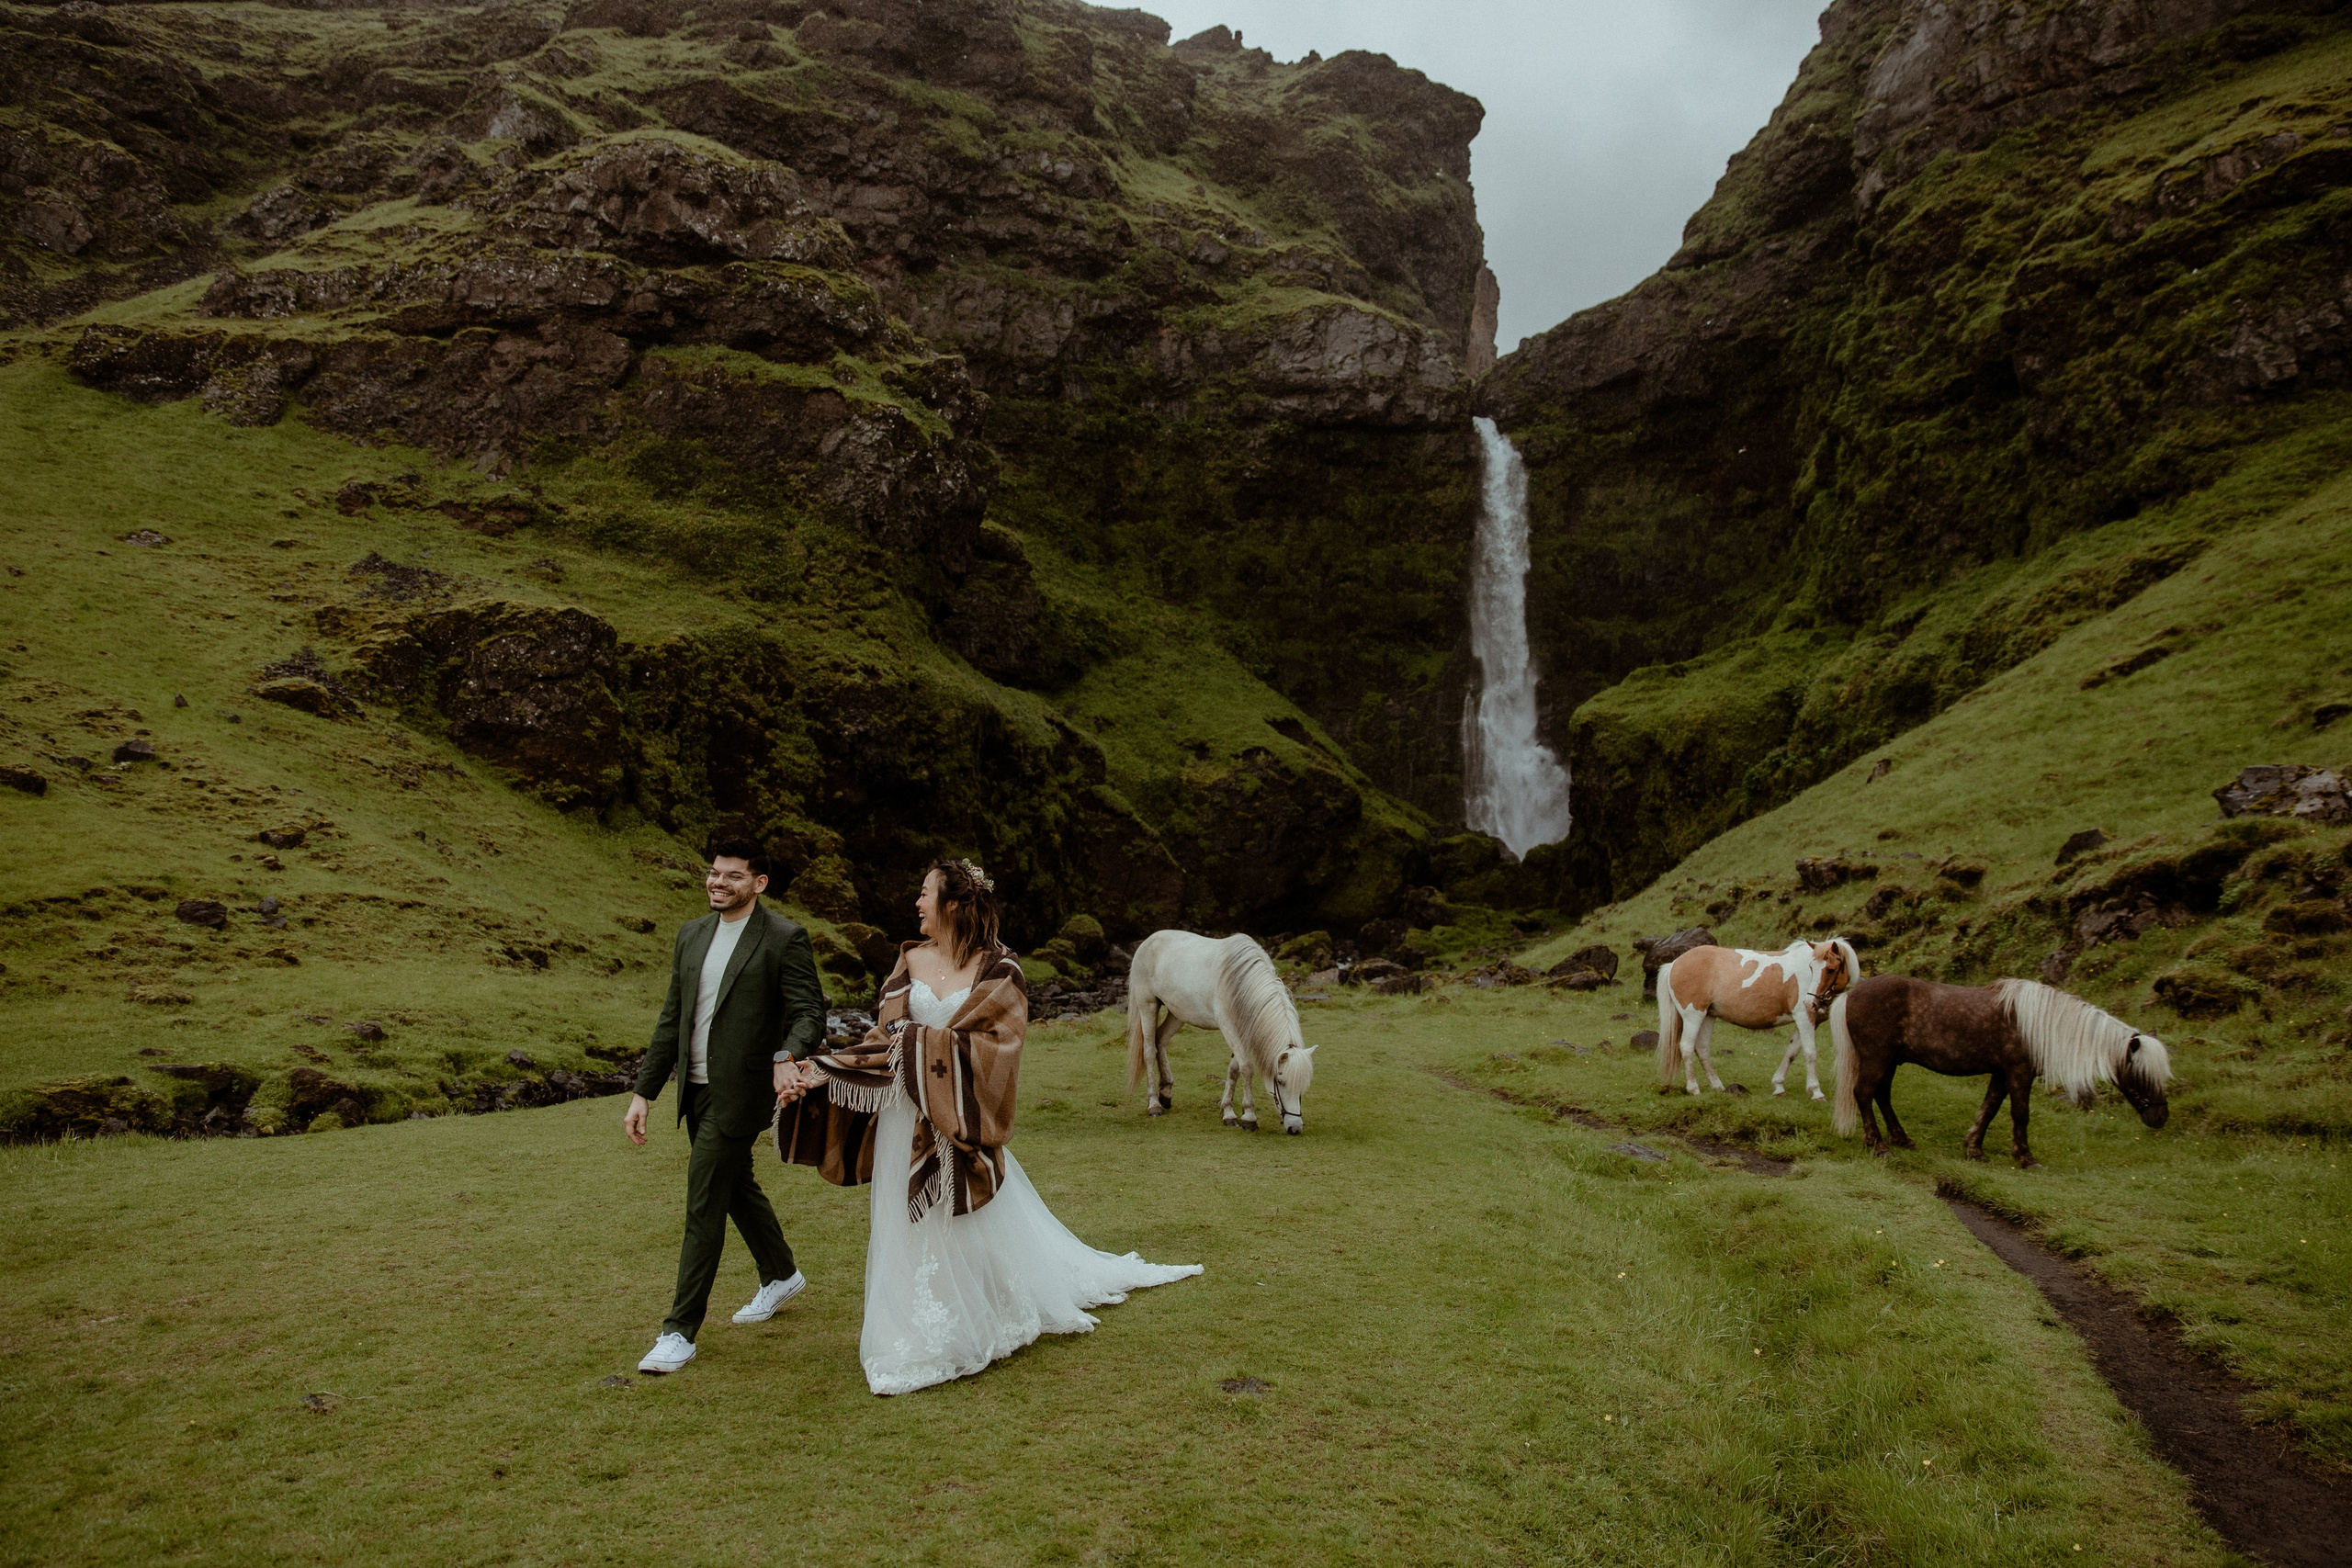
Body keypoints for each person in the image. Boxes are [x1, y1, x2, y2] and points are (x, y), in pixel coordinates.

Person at [774, 857, 1200, 1394]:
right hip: (904, 1117)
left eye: (925, 893)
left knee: (964, 1223)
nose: (917, 904)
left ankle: (976, 1315)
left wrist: (919, 1046)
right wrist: (819, 1072)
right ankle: (908, 1330)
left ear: (953, 904)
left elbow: (1000, 1049)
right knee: (903, 1224)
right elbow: (883, 1041)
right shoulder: (907, 963)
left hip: (962, 1114)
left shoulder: (1000, 971)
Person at [624, 839, 827, 1375]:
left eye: (732, 876)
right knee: (735, 1184)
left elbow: (809, 1013)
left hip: (743, 1091)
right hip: (695, 1091)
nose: (717, 883)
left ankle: (678, 1331)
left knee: (705, 1200)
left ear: (758, 884)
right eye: (714, 874)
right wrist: (645, 1092)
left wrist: (788, 1055)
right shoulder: (691, 935)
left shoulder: (784, 938)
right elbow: (673, 1018)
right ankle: (781, 1273)